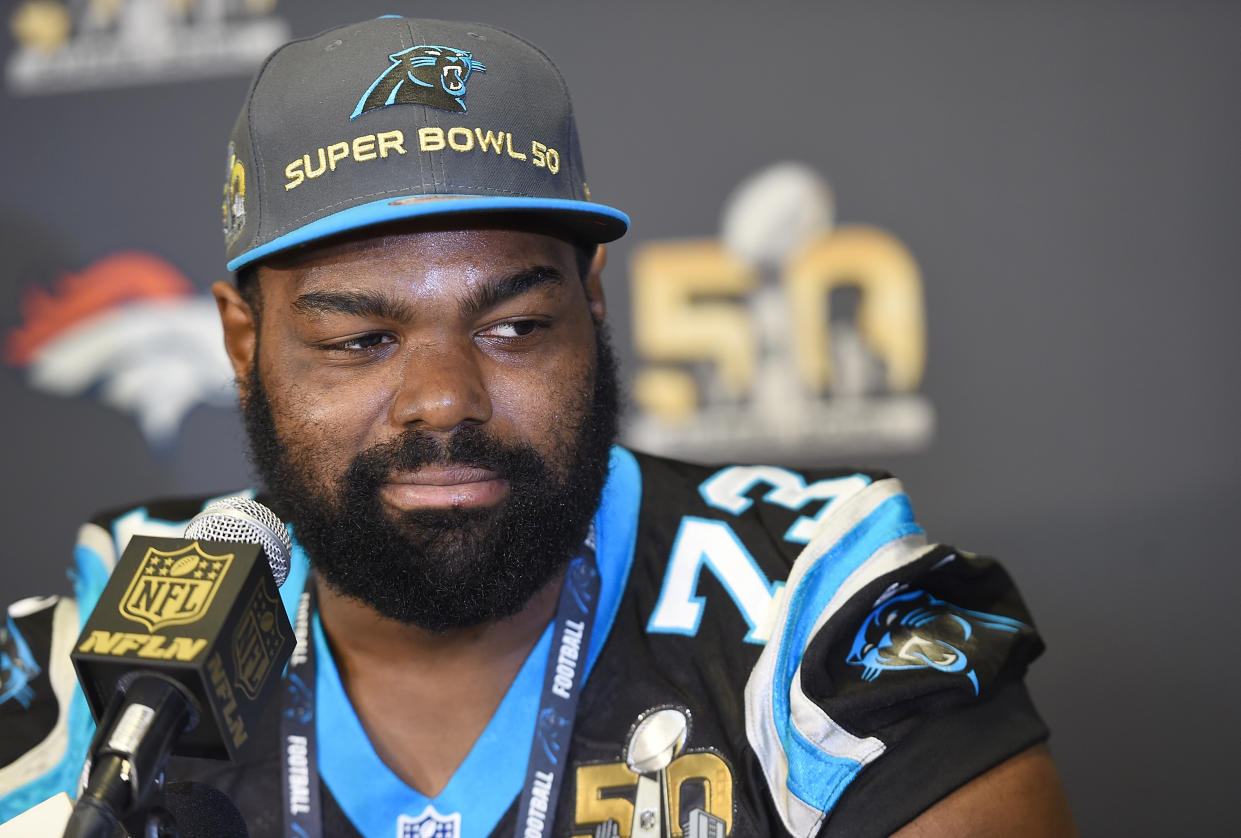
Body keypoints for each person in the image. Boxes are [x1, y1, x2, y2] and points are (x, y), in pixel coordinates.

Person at [0, 15, 1075, 837]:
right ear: (242, 340)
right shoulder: (112, 643)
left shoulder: (814, 607)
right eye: (360, 340)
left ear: (591, 303)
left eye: (513, 325)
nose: (444, 399)